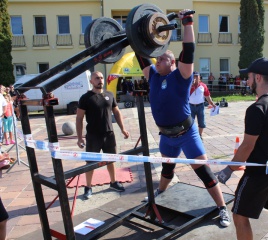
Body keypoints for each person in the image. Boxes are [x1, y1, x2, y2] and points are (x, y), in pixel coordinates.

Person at [135, 9, 231, 227]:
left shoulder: (182, 75)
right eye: (156, 59)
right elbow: (140, 53)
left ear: (172, 63)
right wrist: (133, 35)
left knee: (204, 173)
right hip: (166, 137)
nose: (156, 61)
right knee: (167, 170)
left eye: (161, 59)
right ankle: (159, 192)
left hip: (187, 134)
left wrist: (187, 23)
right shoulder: (153, 77)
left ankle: (222, 208)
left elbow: (189, 51)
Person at [217, 57, 268, 240]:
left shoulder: (257, 108)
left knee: (239, 216)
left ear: (257, 78)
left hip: (258, 173)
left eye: (248, 77)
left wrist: (229, 169)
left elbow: (248, 146)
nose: (246, 81)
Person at [76, 71, 130, 199]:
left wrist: (123, 129)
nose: (100, 80)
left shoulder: (109, 95)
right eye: (96, 78)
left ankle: (113, 182)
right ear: (91, 81)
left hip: (109, 134)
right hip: (93, 136)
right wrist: (79, 138)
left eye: (101, 78)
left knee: (111, 160)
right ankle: (88, 187)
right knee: (90, 163)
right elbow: (79, 118)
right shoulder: (85, 98)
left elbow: (116, 113)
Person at [189, 71, 216, 139]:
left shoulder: (203, 86)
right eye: (193, 77)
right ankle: (190, 136)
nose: (195, 78)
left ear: (199, 77)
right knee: (189, 122)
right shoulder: (188, 85)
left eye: (196, 76)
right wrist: (190, 85)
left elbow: (207, 96)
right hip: (191, 106)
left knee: (201, 122)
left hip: (200, 106)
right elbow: (184, 95)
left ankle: (200, 135)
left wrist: (212, 104)